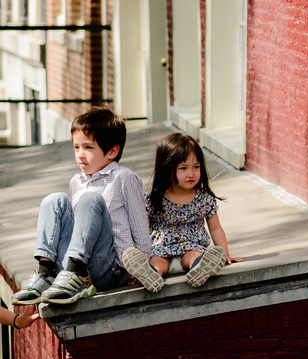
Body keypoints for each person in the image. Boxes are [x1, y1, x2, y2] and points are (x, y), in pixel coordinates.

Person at [11, 108, 152, 306]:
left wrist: (139, 272)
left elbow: (141, 234)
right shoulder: (76, 181)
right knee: (55, 199)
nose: (80, 155)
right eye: (76, 147)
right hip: (71, 269)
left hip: (108, 269)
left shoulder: (124, 178)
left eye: (88, 147)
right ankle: (46, 272)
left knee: (91, 200)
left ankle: (78, 275)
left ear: (112, 151)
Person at [123, 132, 239, 292]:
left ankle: (200, 268)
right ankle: (150, 274)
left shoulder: (204, 198)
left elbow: (215, 228)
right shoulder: (154, 199)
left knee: (193, 256)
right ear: (167, 169)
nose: (191, 174)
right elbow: (141, 230)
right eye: (183, 168)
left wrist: (225, 253)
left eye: (196, 167)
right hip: (161, 250)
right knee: (158, 262)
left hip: (192, 247)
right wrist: (142, 255)